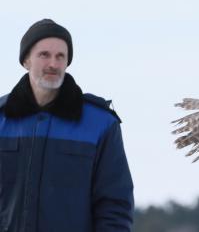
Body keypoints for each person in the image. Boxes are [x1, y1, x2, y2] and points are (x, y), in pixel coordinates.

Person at [0, 19, 134, 231]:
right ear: (26, 60)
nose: (53, 63)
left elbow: (114, 206)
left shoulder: (100, 123)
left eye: (60, 56)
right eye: (44, 55)